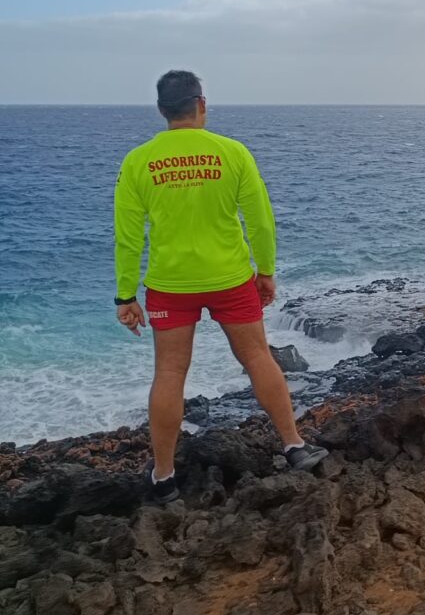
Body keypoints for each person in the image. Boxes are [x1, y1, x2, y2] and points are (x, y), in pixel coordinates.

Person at [114, 70, 327, 504]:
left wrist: (125, 295)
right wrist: (265, 271)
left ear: (161, 111)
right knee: (257, 356)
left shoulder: (138, 161)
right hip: (231, 278)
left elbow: (128, 235)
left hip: (170, 286)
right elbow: (260, 220)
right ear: (202, 105)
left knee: (170, 373)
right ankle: (295, 447)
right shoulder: (232, 153)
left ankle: (164, 478)